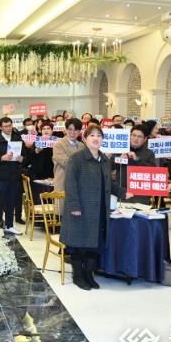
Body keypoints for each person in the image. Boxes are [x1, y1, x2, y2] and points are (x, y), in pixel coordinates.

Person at [61, 124, 131, 290]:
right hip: (81, 208)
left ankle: (88, 274)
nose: (96, 138)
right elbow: (70, 184)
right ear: (85, 139)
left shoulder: (104, 160)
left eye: (99, 136)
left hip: (99, 209)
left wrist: (123, 193)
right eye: (92, 135)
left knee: (95, 243)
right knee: (78, 244)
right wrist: (74, 206)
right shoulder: (77, 158)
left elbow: (109, 183)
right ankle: (78, 276)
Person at [0, 117, 27, 235]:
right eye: (5, 126)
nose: (8, 128)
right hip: (1, 175)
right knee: (1, 200)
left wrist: (22, 159)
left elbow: (25, 156)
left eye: (10, 126)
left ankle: (9, 225)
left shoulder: (17, 138)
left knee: (11, 201)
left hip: (14, 174)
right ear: (0, 127)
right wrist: (1, 158)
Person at [114, 125, 156, 205]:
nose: (136, 138)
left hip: (140, 193)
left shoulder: (149, 153)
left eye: (139, 136)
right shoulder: (120, 149)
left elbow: (152, 172)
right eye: (133, 135)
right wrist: (118, 159)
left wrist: (137, 160)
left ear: (145, 139)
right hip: (121, 191)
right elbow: (109, 165)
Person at [52, 118, 83, 193]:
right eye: (70, 129)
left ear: (79, 131)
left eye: (76, 130)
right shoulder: (58, 145)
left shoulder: (82, 145)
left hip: (79, 184)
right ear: (65, 130)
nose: (72, 132)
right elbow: (66, 162)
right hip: (63, 183)